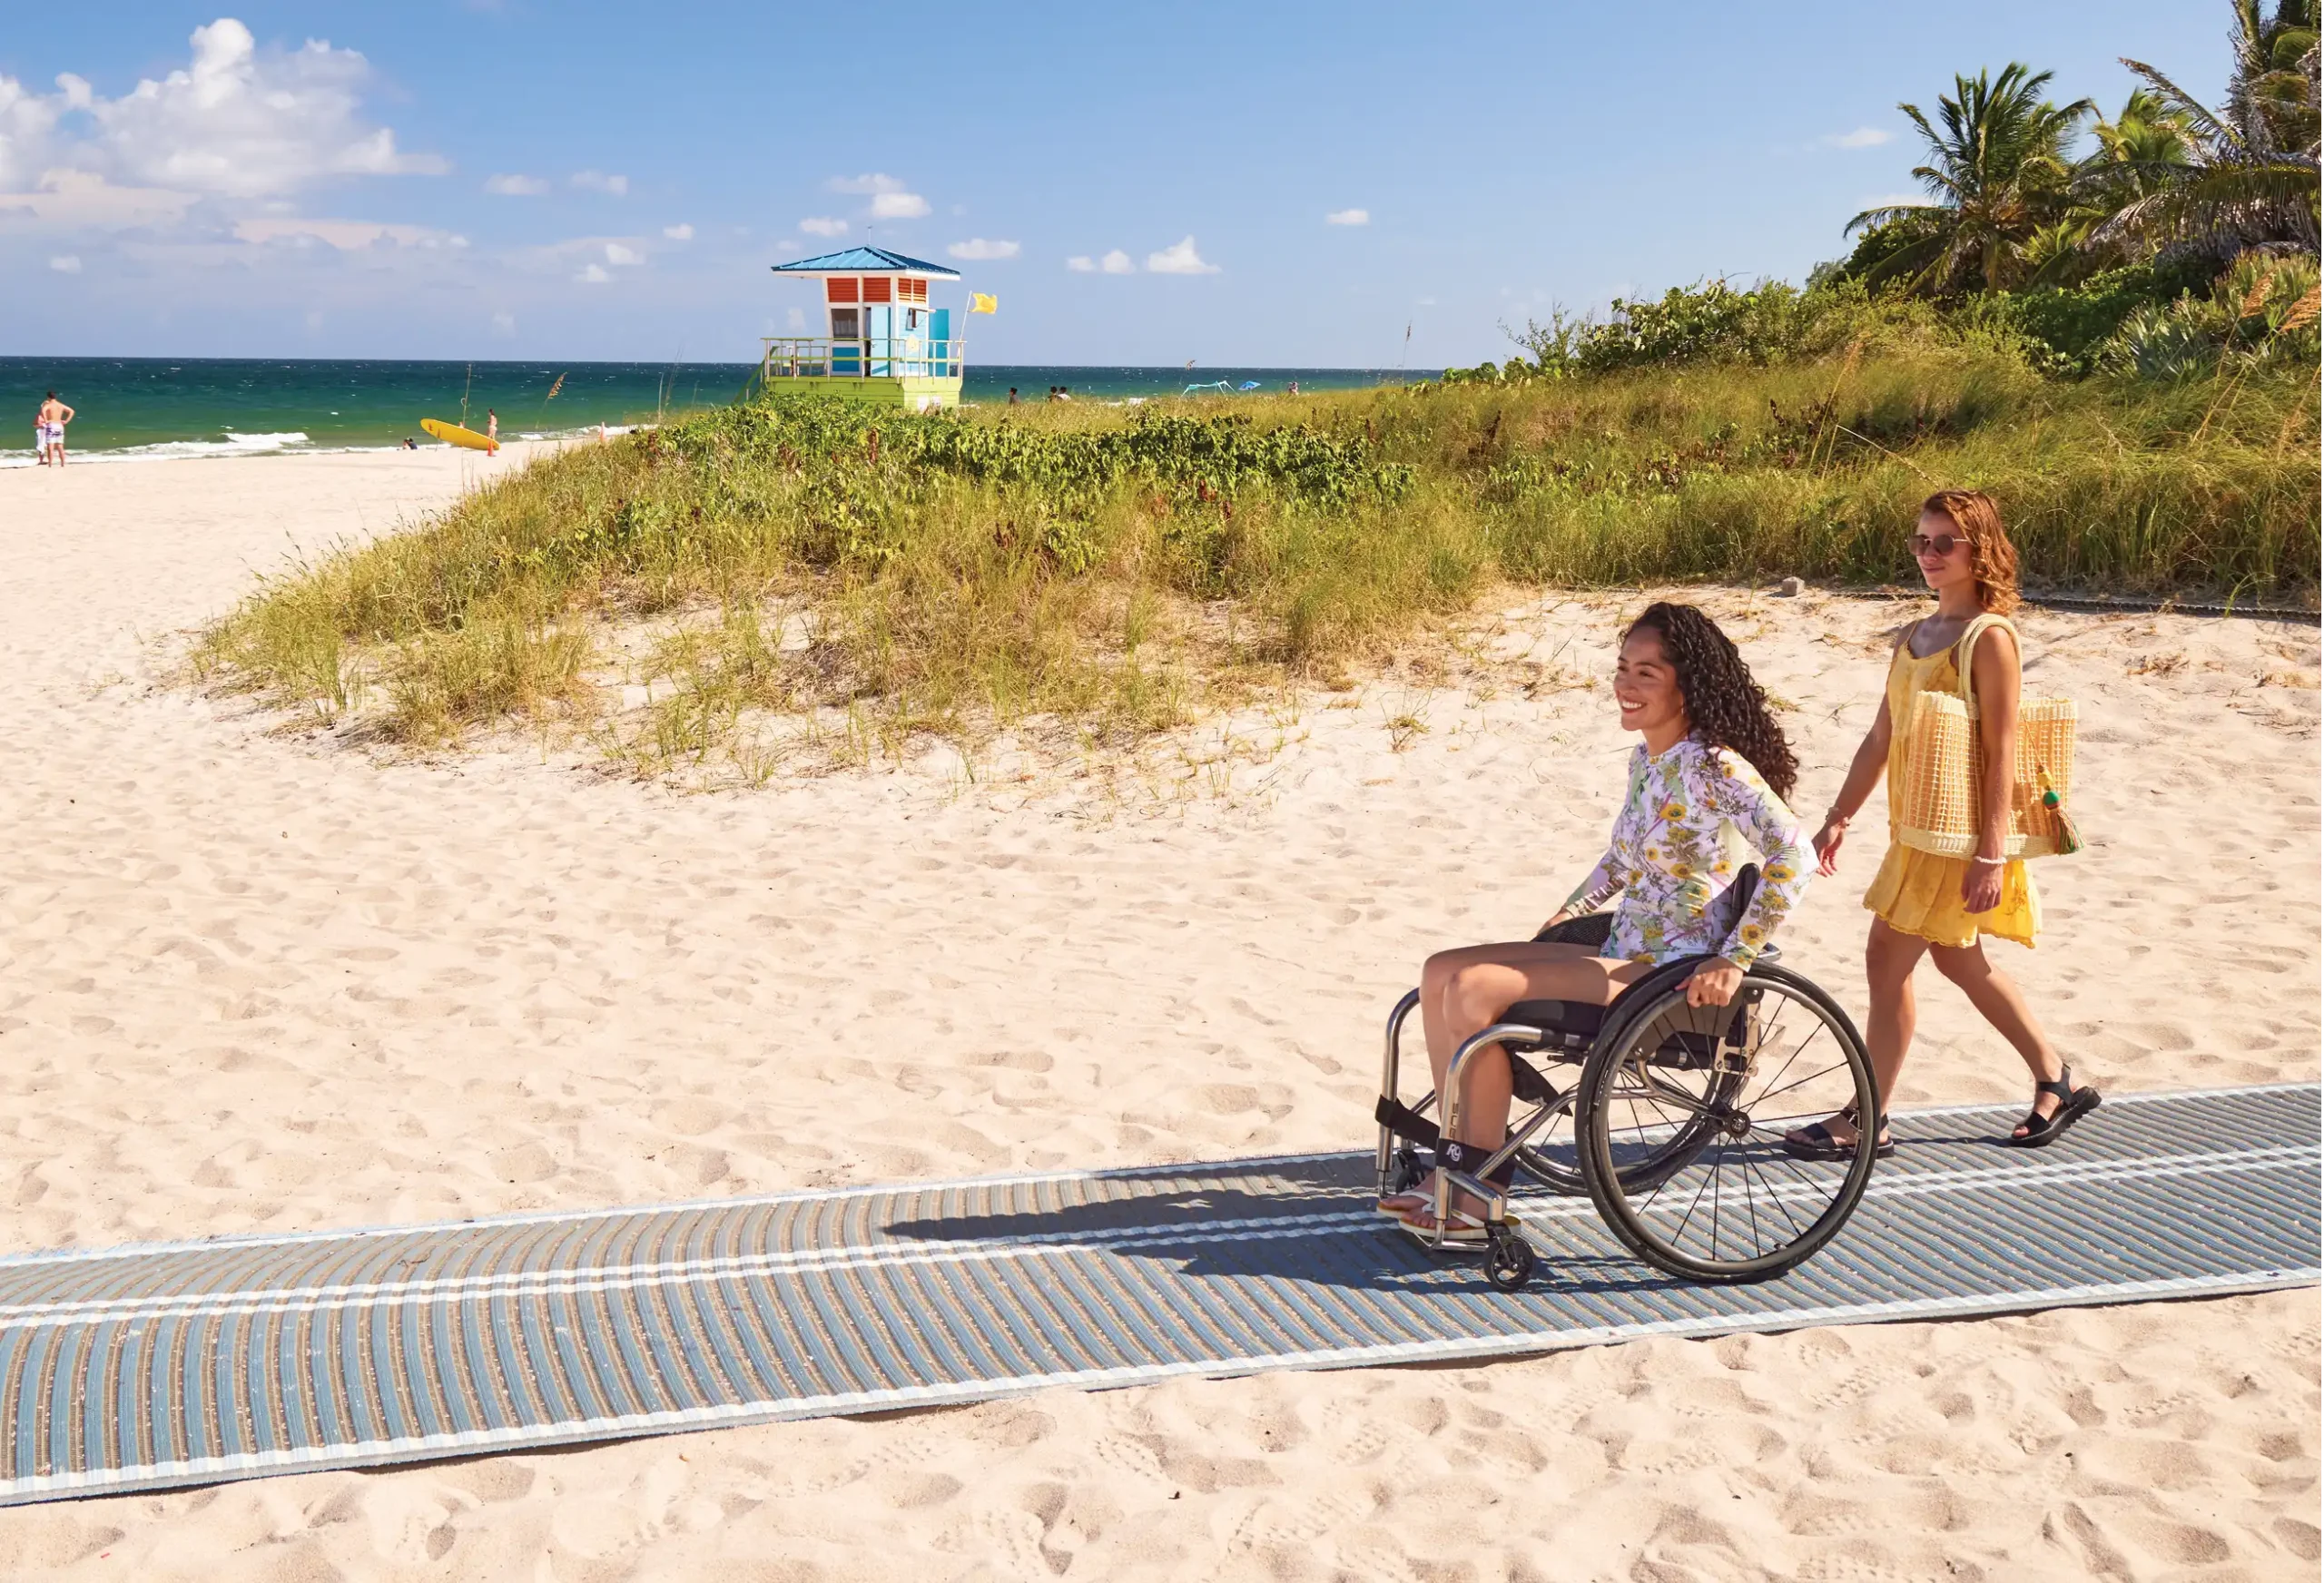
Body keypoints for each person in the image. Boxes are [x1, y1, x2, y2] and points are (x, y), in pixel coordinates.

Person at [1385, 602, 1811, 1244]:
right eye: (1621, 669)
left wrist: (1736, 958)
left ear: (1685, 685)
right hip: (1623, 950)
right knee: (1440, 970)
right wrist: (1572, 910)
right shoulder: (1647, 764)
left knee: (1474, 988)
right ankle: (1456, 1169)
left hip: (1670, 972)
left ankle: (1480, 1188)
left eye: (1646, 672)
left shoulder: (1715, 765)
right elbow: (1620, 860)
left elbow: (1793, 855)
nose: (1625, 685)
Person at [1786, 489, 2098, 1159]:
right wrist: (1840, 817)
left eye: (1943, 543)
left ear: (1979, 549)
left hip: (1958, 840)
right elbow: (1880, 736)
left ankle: (1869, 1117)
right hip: (1916, 829)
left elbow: (2003, 750)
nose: (1928, 555)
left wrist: (1990, 854)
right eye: (1920, 542)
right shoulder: (1914, 636)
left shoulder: (1991, 638)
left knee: (1885, 962)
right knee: (1961, 962)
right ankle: (2054, 1076)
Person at [37, 391, 74, 467]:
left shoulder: (49, 405)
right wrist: (66, 421)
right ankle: (62, 463)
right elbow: (71, 411)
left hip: (52, 425)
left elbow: (43, 410)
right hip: (59, 425)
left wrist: (46, 420)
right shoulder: (60, 405)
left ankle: (50, 464)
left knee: (50, 446)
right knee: (60, 446)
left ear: (48, 397)